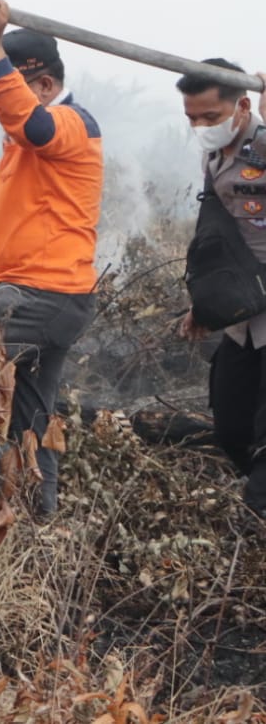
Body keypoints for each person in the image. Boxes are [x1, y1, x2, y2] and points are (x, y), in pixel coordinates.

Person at [0, 0, 102, 517]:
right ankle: (36, 526)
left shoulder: (72, 124)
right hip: (39, 295)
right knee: (28, 422)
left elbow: (34, 128)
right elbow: (19, 202)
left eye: (3, 87)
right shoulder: (29, 145)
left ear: (46, 87)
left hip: (41, 295)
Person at [176, 58, 266, 517]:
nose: (200, 126)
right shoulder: (214, 155)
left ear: (243, 104)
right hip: (243, 313)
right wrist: (203, 307)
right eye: (192, 117)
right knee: (231, 428)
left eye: (210, 117)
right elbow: (215, 241)